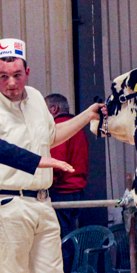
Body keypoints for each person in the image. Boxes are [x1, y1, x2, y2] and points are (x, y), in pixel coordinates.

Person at [0, 38, 102, 273]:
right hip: (7, 201)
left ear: (27, 72)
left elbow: (51, 136)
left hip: (43, 202)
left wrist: (87, 114)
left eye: (16, 74)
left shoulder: (38, 98)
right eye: (2, 76)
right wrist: (39, 160)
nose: (11, 83)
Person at [45, 93, 88, 240]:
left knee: (60, 240)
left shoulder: (59, 129)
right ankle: (75, 263)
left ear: (54, 109)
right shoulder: (78, 130)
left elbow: (56, 164)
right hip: (78, 191)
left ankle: (67, 264)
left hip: (61, 193)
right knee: (72, 237)